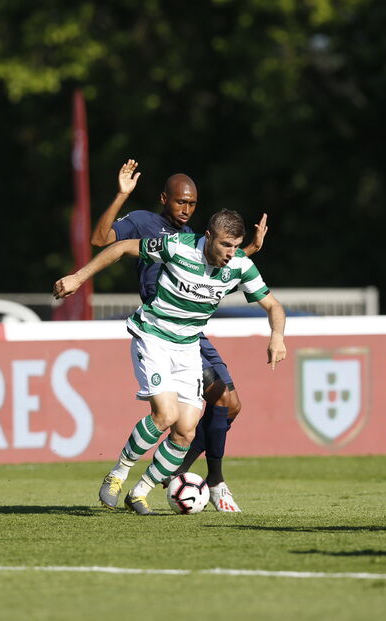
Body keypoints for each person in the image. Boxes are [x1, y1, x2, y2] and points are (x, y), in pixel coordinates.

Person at [56, 208, 286, 515]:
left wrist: (277, 336)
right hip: (153, 336)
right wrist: (78, 277)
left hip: (188, 348)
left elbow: (273, 306)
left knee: (186, 430)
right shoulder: (178, 246)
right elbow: (122, 247)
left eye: (235, 246)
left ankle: (140, 492)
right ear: (207, 237)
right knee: (165, 415)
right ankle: (117, 475)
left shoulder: (240, 265)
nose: (231, 253)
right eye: (225, 245)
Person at [90, 159, 268, 512]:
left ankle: (176, 471)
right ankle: (212, 481)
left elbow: (219, 270)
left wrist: (249, 251)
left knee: (228, 405)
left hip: (192, 334)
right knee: (173, 413)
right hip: (160, 327)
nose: (186, 209)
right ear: (164, 199)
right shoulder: (144, 222)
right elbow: (100, 240)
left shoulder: (197, 238)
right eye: (180, 202)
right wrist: (121, 195)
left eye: (192, 204)